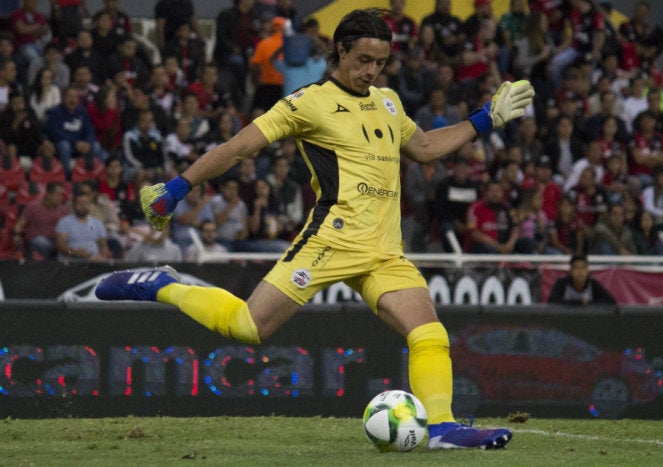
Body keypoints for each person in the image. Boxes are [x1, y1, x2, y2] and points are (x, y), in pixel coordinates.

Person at [96, 9, 533, 450]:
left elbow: (423, 148)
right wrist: (179, 186)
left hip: (384, 251)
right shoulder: (309, 102)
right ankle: (164, 284)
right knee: (248, 327)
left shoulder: (388, 101)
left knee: (430, 334)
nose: (371, 71)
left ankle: (441, 428)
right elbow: (239, 147)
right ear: (339, 50)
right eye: (363, 60)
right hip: (331, 240)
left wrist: (486, 119)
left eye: (379, 62)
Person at [12, 180, 69, 260]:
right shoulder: (33, 206)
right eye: (58, 195)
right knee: (42, 243)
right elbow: (20, 224)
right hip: (37, 238)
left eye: (61, 195)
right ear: (49, 194)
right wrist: (16, 235)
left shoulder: (63, 210)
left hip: (57, 239)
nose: (61, 198)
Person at [55, 190, 110, 261]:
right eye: (79, 203)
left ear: (90, 204)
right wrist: (76, 253)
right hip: (70, 264)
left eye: (86, 203)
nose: (83, 206)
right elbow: (61, 247)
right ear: (73, 204)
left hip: (94, 263)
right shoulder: (64, 222)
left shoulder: (97, 223)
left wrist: (102, 257)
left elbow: (103, 245)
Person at [547, 254, 616, 305]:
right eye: (577, 268)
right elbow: (551, 301)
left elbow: (611, 301)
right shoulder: (562, 283)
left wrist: (589, 303)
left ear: (587, 271)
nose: (581, 271)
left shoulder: (593, 284)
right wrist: (579, 303)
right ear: (571, 271)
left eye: (584, 268)